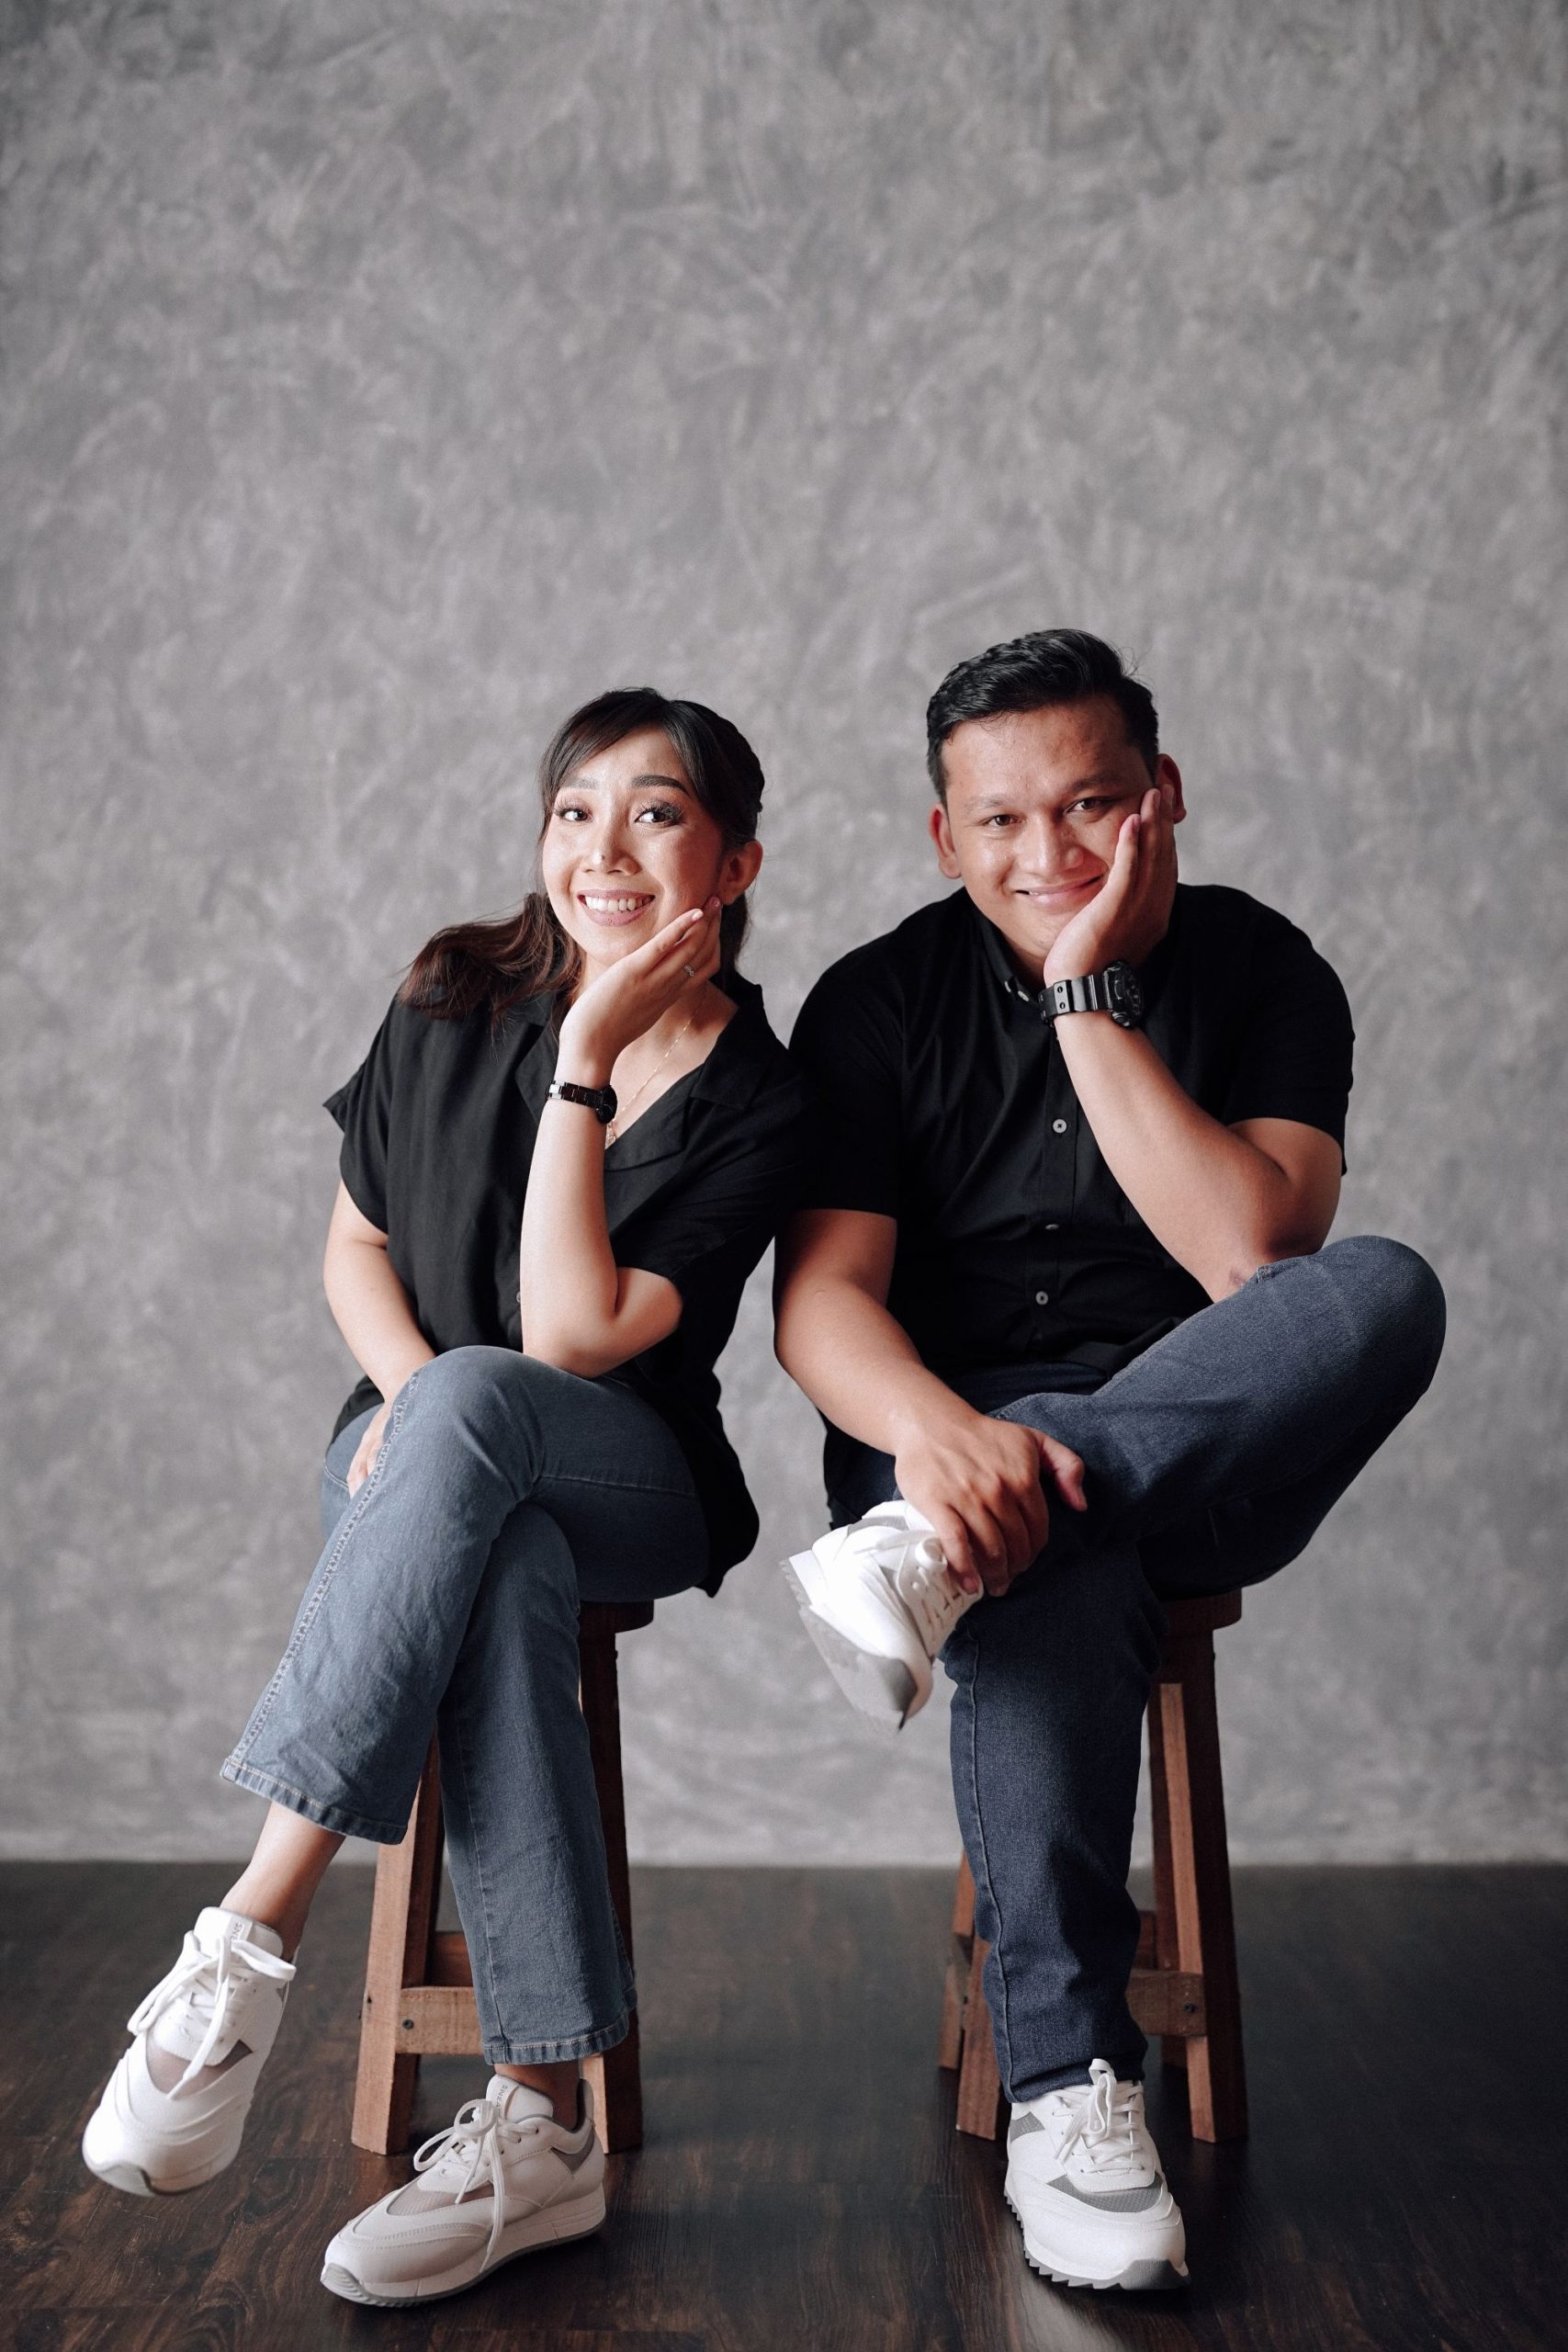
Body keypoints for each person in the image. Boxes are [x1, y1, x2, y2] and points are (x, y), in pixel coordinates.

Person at [82, 687, 810, 2309]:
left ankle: (249, 1935)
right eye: (573, 812)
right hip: (415, 1450)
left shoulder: (763, 1098)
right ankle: (544, 2123)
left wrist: (586, 1064)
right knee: (495, 1551)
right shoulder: (451, 992)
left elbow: (567, 1341)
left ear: (736, 859)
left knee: (489, 1413)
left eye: (655, 812)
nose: (602, 849)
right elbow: (354, 1244)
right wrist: (421, 1405)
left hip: (628, 1470)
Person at [773, 629, 1445, 2294]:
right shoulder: (877, 1000)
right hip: (936, 1442)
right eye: (999, 821)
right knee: (1051, 1559)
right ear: (943, 835)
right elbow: (823, 1306)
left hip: (1205, 1444)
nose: (1045, 852)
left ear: (1164, 795)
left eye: (1088, 805)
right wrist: (945, 1441)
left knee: (1380, 1289)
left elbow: (1247, 1260)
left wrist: (1084, 995)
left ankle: (937, 1556)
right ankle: (1071, 2098)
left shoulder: (1266, 969)